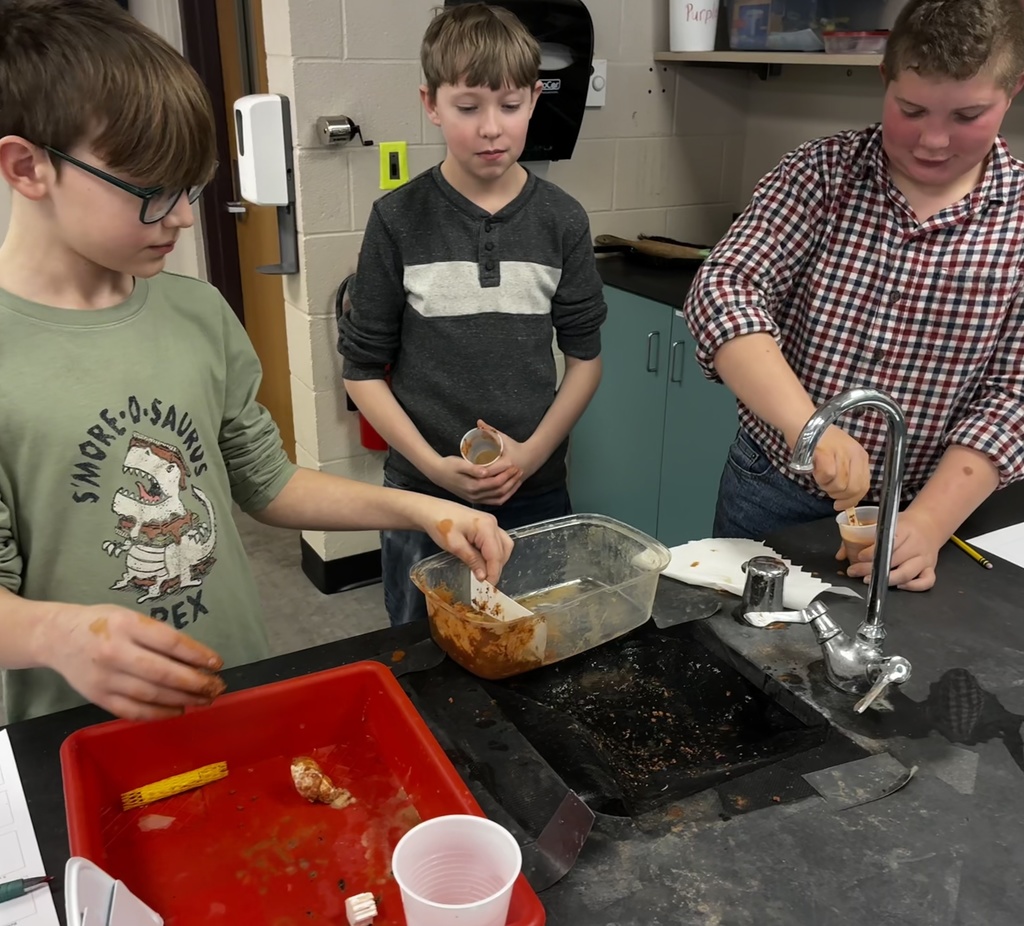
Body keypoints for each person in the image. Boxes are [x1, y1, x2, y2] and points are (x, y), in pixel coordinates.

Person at [0, 0, 513, 723]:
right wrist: (57, 634)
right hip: (74, 724)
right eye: (152, 193)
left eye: (193, 187)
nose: (181, 218)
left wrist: (422, 511)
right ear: (28, 167)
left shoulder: (198, 313)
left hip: (232, 677)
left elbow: (265, 482)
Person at [682, 0, 1024, 593]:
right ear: (884, 79)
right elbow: (724, 288)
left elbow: (1014, 396)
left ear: (1013, 92)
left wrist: (928, 522)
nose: (934, 140)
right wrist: (808, 426)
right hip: (773, 489)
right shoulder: (822, 172)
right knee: (740, 647)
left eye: (968, 114)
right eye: (911, 110)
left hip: (926, 510)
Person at [339, 3, 607, 625]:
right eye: (468, 108)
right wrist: (434, 467)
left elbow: (585, 362)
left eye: (510, 106)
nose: (492, 128)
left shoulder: (562, 220)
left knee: (533, 636)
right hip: (422, 497)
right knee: (422, 645)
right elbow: (361, 372)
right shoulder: (397, 219)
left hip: (534, 493)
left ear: (535, 100)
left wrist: (533, 454)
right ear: (431, 103)